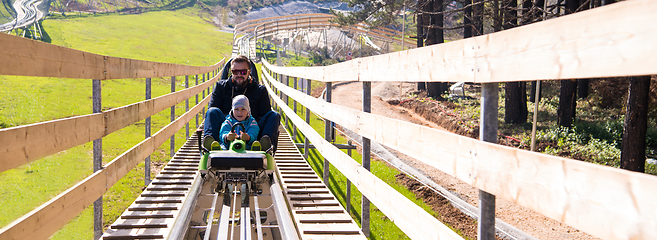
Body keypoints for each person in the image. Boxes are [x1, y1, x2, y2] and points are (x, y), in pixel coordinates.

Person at [203, 55, 280, 152]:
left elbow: (265, 115)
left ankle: (264, 146)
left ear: (249, 72)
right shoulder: (221, 87)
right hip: (227, 125)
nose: (239, 75)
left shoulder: (260, 90)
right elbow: (213, 113)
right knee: (212, 111)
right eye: (235, 72)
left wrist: (250, 129)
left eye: (243, 72)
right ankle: (211, 144)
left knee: (274, 115)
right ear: (231, 72)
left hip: (251, 125)